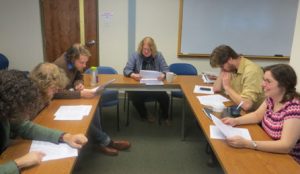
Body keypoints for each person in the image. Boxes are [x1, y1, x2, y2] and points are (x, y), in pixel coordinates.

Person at [0, 70, 88, 173]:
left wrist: (65, 137)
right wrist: (19, 163)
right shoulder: (8, 108)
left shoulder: (6, 108)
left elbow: (24, 127)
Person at [53, 44, 130, 155]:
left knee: (93, 107)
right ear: (73, 58)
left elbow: (79, 75)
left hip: (69, 94)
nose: (84, 66)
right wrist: (80, 94)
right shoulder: (59, 66)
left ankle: (100, 143)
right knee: (87, 119)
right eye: (82, 62)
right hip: (57, 102)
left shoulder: (73, 61)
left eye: (85, 62)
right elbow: (56, 93)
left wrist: (78, 84)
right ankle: (107, 142)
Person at [222, 64, 300, 163]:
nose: (262, 84)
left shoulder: (294, 108)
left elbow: (286, 146)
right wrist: (235, 121)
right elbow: (257, 115)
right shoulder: (272, 98)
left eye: (268, 81)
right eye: (263, 80)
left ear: (284, 85)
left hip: (288, 160)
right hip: (269, 148)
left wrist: (248, 144)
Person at [123, 36, 170, 124]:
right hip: (139, 86)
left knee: (165, 97)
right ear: (141, 48)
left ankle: (165, 116)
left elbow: (166, 69)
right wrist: (133, 75)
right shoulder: (135, 55)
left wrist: (163, 75)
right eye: (144, 49)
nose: (146, 51)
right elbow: (126, 70)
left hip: (154, 86)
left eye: (149, 49)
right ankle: (145, 115)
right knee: (134, 96)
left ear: (153, 49)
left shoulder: (158, 55)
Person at [210, 45, 264, 111]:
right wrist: (222, 70)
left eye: (221, 66)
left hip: (252, 113)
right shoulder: (231, 68)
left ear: (230, 59)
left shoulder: (252, 71)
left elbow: (247, 105)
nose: (222, 69)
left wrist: (227, 87)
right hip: (237, 107)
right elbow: (216, 89)